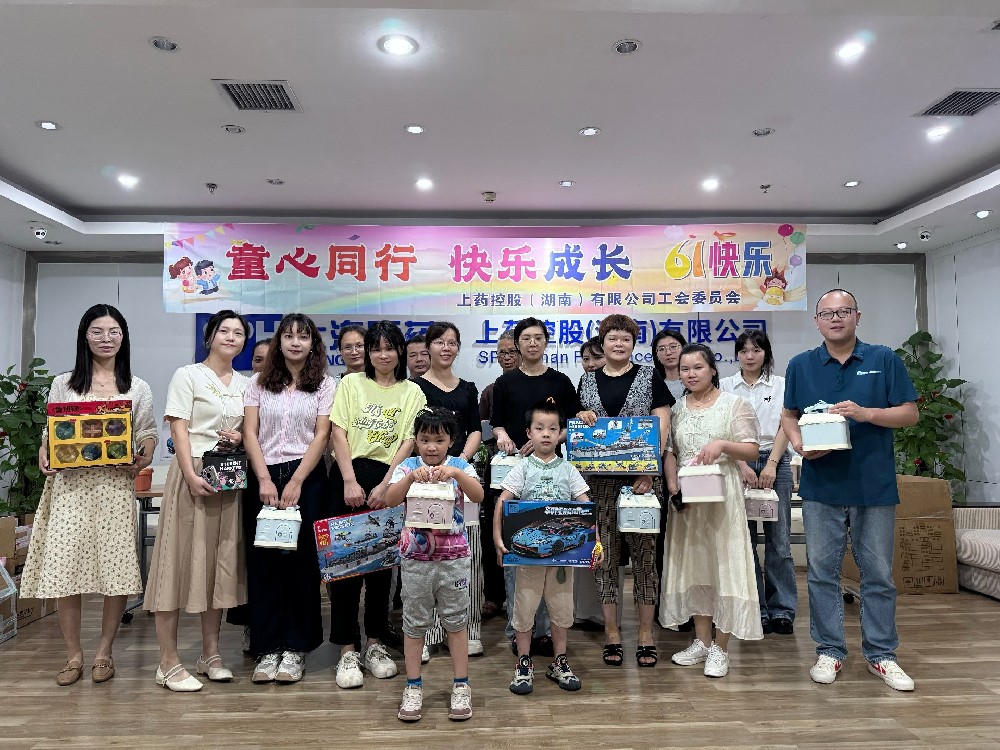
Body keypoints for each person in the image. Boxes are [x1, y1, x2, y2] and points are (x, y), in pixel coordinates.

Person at [781, 289, 918, 692]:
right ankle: (829, 650)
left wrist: (865, 413)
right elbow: (789, 415)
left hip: (873, 484)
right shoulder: (801, 364)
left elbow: (909, 413)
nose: (836, 318)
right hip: (821, 485)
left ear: (858, 316)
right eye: (827, 313)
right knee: (821, 573)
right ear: (817, 321)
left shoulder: (883, 359)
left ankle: (882, 655)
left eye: (844, 311)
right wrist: (799, 445)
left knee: (877, 575)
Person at [22, 304, 157, 686]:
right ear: (85, 336)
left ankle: (103, 652)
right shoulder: (64, 383)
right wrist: (44, 451)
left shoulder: (137, 386)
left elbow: (147, 432)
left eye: (114, 332)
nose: (106, 339)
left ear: (124, 337)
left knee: (116, 570)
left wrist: (144, 454)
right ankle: (73, 655)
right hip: (69, 488)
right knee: (65, 568)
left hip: (114, 487)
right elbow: (51, 433)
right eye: (97, 331)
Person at [144, 309, 251, 691]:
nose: (231, 337)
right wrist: (190, 473)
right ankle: (168, 662)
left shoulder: (247, 383)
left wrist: (241, 437)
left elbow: (251, 429)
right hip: (193, 471)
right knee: (175, 562)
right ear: (210, 336)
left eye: (238, 332)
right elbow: (179, 426)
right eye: (224, 330)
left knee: (219, 563)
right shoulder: (188, 375)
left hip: (230, 475)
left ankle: (211, 654)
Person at [328, 320, 427, 689]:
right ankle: (347, 649)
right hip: (348, 477)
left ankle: (374, 644)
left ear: (400, 351)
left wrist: (388, 484)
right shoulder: (351, 384)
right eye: (376, 348)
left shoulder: (412, 392)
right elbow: (338, 432)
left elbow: (408, 441)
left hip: (389, 479)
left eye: (389, 348)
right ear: (368, 353)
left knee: (381, 569)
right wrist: (349, 479)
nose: (383, 355)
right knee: (345, 567)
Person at [575, 315, 674, 667]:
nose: (619, 344)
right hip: (598, 482)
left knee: (645, 556)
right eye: (613, 338)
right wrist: (582, 415)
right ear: (602, 343)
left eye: (626, 339)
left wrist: (650, 468)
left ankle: (645, 634)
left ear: (634, 343)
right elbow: (580, 426)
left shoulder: (649, 376)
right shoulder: (587, 380)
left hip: (641, 482)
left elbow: (662, 424)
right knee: (604, 555)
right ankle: (612, 632)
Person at [241, 314, 333, 684]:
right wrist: (263, 477)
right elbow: (250, 431)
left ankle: (296, 648)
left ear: (313, 344)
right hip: (262, 474)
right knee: (263, 563)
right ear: (279, 341)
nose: (296, 342)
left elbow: (322, 435)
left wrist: (296, 480)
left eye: (303, 336)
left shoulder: (325, 384)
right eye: (289, 336)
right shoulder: (258, 383)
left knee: (302, 564)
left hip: (306, 478)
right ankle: (266, 648)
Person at [662, 344, 762, 679]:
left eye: (697, 368)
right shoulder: (677, 408)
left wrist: (722, 445)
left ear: (712, 370)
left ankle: (722, 647)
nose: (690, 374)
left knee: (725, 566)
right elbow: (671, 451)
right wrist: (673, 485)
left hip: (723, 498)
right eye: (685, 369)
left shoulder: (734, 404)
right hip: (690, 500)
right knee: (696, 567)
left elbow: (751, 449)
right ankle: (702, 642)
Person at [384, 407, 484, 722]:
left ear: (451, 441)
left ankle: (461, 685)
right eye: (425, 439)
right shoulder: (407, 467)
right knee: (414, 624)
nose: (431, 447)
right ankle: (413, 686)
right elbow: (390, 499)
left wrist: (456, 474)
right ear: (415, 440)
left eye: (439, 440)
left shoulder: (460, 466)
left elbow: (478, 495)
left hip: (454, 559)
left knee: (456, 622)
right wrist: (409, 478)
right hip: (416, 560)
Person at [494, 401, 599, 695]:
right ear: (529, 433)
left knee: (562, 608)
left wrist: (597, 543)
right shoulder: (523, 467)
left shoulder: (568, 470)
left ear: (560, 433)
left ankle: (559, 661)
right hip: (527, 561)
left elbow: (586, 508)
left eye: (553, 429)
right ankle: (523, 662)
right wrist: (498, 540)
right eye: (539, 428)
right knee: (524, 607)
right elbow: (502, 502)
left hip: (562, 561)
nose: (546, 434)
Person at [490, 317, 580, 656]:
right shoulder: (505, 382)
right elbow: (497, 424)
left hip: (553, 474)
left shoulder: (560, 381)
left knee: (551, 559)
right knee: (520, 557)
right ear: (517, 344)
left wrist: (548, 439)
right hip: (517, 472)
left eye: (538, 337)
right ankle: (519, 631)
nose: (532, 343)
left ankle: (545, 632)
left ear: (545, 342)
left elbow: (571, 424)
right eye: (525, 338)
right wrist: (504, 437)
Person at [412, 322, 484, 659]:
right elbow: (413, 434)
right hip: (425, 480)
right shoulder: (415, 387)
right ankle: (428, 632)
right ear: (428, 347)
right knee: (427, 554)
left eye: (452, 342)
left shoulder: (468, 388)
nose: (446, 348)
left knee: (469, 552)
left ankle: (469, 629)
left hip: (460, 477)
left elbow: (475, 430)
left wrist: (458, 463)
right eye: (439, 342)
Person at [720, 330, 796, 635]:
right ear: (737, 355)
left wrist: (772, 465)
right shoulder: (726, 386)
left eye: (756, 350)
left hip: (776, 459)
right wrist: (741, 464)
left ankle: (782, 609)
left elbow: (787, 425)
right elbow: (723, 427)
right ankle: (756, 608)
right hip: (737, 462)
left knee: (780, 541)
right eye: (743, 351)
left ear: (766, 353)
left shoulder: (781, 385)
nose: (749, 356)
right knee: (744, 540)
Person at [477, 331, 520, 621]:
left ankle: (522, 597)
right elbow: (482, 431)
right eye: (501, 352)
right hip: (498, 470)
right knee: (493, 529)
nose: (506, 357)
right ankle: (494, 596)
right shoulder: (490, 391)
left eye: (511, 351)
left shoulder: (539, 384)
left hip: (532, 469)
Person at [652, 330, 688, 401]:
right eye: (662, 349)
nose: (668, 352)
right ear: (656, 355)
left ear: (684, 348)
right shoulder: (653, 386)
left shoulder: (694, 381)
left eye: (673, 347)